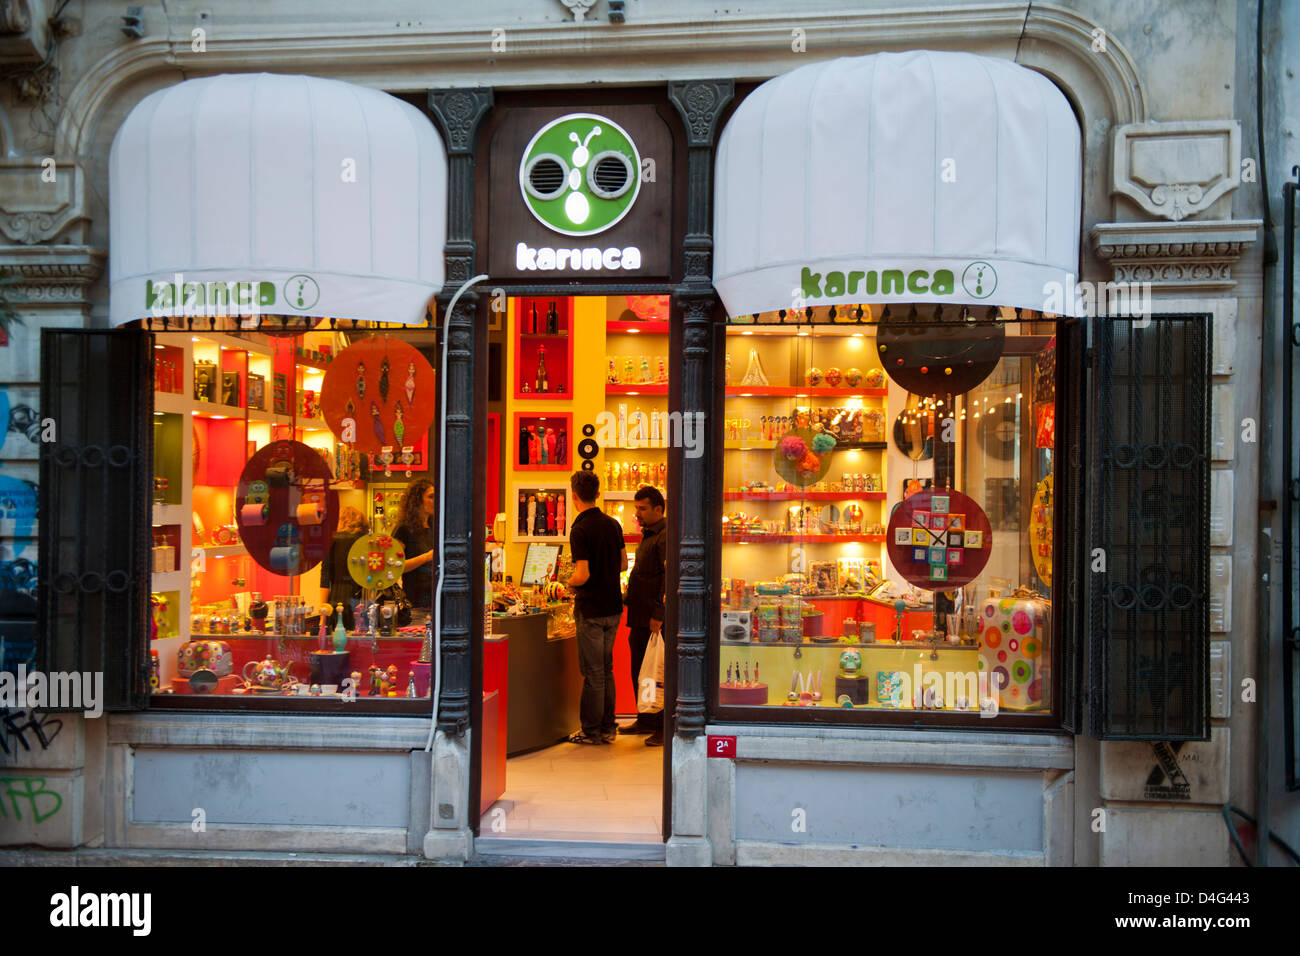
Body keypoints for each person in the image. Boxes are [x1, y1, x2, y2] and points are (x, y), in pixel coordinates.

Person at [565, 470, 627, 744]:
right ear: (598, 494)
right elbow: (624, 564)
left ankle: (591, 730)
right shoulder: (613, 524)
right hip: (613, 606)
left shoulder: (579, 529)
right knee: (606, 668)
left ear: (574, 495)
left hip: (590, 609)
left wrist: (567, 583)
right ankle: (607, 727)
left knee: (593, 672)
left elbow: (582, 574)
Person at [620, 485, 668, 745]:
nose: (637, 513)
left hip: (653, 618)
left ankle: (661, 726)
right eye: (636, 508)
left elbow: (667, 578)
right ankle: (646, 719)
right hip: (639, 615)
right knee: (639, 669)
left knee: (656, 671)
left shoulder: (665, 535)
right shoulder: (648, 534)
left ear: (658, 509)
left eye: (642, 508)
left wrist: (659, 614)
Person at [318, 505, 367, 630]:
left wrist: (322, 615)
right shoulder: (364, 541)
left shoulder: (332, 540)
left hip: (336, 597)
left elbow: (325, 577)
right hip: (359, 597)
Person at [393, 478, 437, 615]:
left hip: (436, 599)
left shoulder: (434, 527)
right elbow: (394, 566)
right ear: (418, 500)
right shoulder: (404, 529)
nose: (435, 500)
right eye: (431, 497)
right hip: (415, 603)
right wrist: (426, 557)